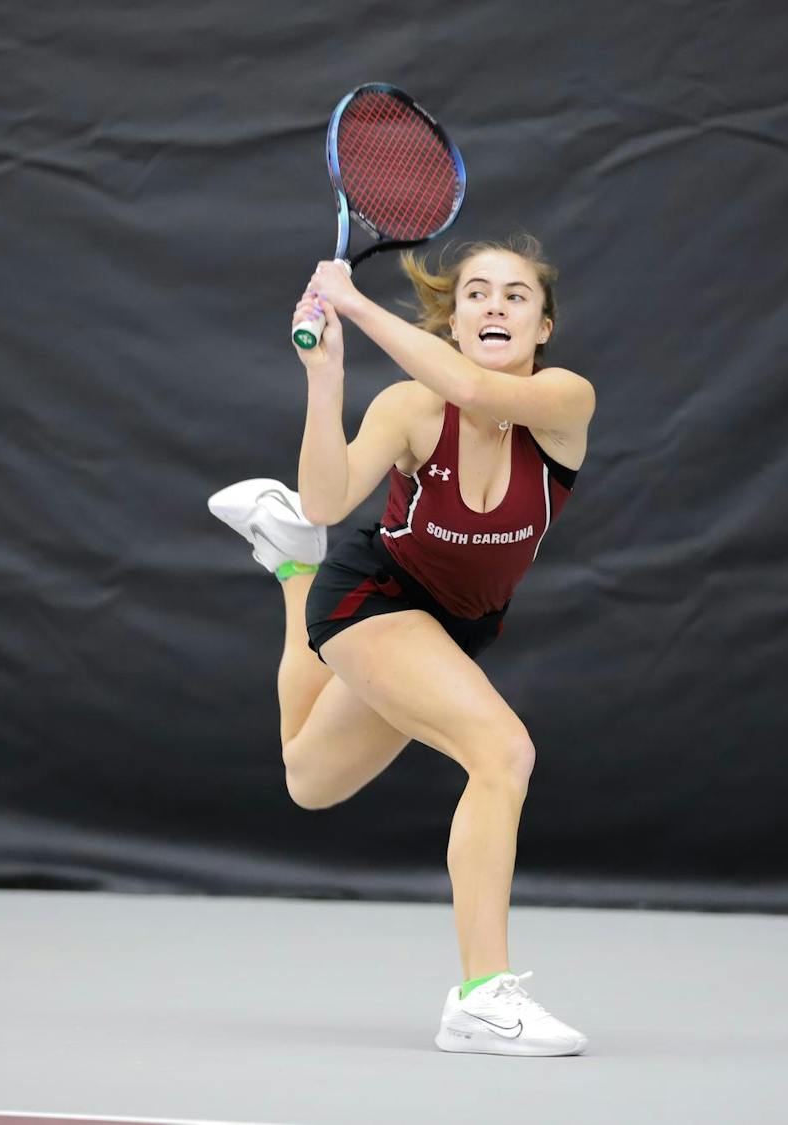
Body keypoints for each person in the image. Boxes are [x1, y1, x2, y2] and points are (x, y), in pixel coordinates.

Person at [207, 234, 595, 1056]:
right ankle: (483, 996)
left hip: (456, 628)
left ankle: (287, 568)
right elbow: (326, 495)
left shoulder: (564, 402)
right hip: (375, 599)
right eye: (476, 293)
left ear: (544, 328)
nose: (494, 304)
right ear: (452, 320)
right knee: (502, 751)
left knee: (308, 780)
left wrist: (353, 300)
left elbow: (472, 385)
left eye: (516, 295)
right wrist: (325, 379)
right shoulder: (413, 408)